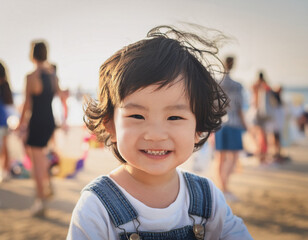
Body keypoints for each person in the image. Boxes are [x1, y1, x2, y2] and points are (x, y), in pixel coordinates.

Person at [67, 25, 252, 240]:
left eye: (174, 117)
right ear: (110, 125)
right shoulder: (97, 207)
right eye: (137, 116)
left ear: (198, 129)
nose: (155, 135)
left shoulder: (208, 199)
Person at [18, 41, 64, 217]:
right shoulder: (53, 76)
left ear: (32, 55)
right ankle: (48, 183)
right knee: (43, 156)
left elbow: (27, 104)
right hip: (50, 121)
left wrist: (21, 125)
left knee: (37, 163)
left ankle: (40, 201)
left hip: (36, 121)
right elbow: (60, 96)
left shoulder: (31, 77)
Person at [214, 56, 247, 201]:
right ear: (233, 65)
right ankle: (225, 187)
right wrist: (246, 125)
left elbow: (213, 106)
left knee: (220, 157)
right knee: (233, 157)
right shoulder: (237, 86)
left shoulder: (217, 83)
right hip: (233, 124)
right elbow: (239, 108)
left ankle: (221, 186)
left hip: (219, 124)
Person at [0, 61, 14, 182]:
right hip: (4, 122)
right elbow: (10, 107)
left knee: (4, 148)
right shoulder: (6, 87)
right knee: (5, 148)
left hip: (2, 123)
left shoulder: (4, 88)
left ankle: (5, 171)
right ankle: (5, 171)